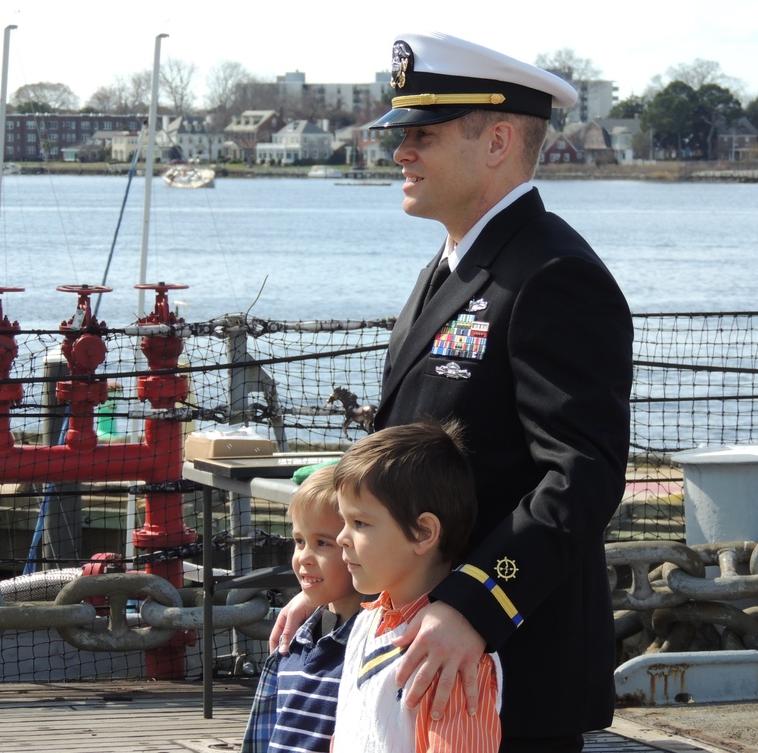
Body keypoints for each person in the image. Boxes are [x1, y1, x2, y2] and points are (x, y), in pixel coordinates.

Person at [272, 31, 633, 753]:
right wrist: (338, 566)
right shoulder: (456, 266)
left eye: (423, 134)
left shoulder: (553, 274)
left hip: (505, 671)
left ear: (497, 140)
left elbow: (581, 477)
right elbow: (397, 458)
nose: (400, 150)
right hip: (423, 655)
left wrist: (475, 602)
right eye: (402, 134)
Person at [330, 419, 502, 753]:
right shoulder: (366, 621)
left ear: (423, 533)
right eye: (344, 521)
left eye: (360, 523)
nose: (341, 538)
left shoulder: (456, 659)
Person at [241, 464, 363, 753]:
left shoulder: (370, 647)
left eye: (322, 543)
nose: (304, 557)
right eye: (299, 541)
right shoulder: (294, 644)